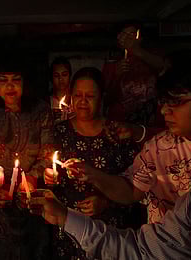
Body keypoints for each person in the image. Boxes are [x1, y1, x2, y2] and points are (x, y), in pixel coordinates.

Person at [30, 49, 191, 260]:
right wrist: (66, 212)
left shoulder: (116, 133)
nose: (164, 111)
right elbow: (133, 199)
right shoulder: (166, 156)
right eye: (77, 95)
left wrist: (103, 200)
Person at [62, 53, 191, 224]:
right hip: (161, 248)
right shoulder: (158, 147)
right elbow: (132, 190)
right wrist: (92, 174)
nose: (165, 111)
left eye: (175, 101)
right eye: (163, 101)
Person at [45, 67, 143, 259]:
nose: (82, 101)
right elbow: (47, 172)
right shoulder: (58, 133)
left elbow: (137, 188)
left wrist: (106, 203)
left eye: (89, 95)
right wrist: (48, 177)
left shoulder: (117, 133)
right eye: (77, 95)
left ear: (101, 98)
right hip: (66, 233)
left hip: (108, 235)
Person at [0, 57, 54, 259]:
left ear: (25, 83)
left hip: (32, 200)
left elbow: (48, 153)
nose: (10, 86)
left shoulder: (40, 111)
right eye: (3, 80)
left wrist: (32, 179)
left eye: (16, 80)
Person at [104, 23, 167, 137]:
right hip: (123, 120)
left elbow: (163, 66)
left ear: (140, 37)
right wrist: (116, 74)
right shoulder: (112, 63)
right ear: (119, 38)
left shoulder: (150, 56)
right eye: (125, 34)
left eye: (132, 34)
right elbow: (106, 97)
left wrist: (136, 50)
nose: (128, 38)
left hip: (150, 118)